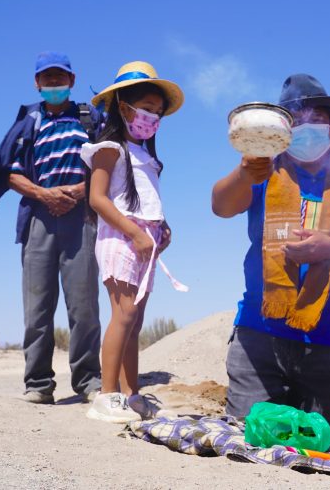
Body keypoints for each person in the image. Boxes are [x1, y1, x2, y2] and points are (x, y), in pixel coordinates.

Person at [212, 74, 330, 426]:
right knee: (250, 440)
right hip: (258, 337)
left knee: (316, 447)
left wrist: (328, 247)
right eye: (296, 120)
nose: (307, 127)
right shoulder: (263, 169)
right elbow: (221, 206)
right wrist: (244, 172)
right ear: (282, 129)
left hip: (327, 341)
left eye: (317, 118)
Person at [0, 52, 102, 404]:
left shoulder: (89, 118)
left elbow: (110, 160)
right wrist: (44, 194)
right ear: (37, 83)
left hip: (82, 217)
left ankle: (90, 381)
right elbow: (11, 172)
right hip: (39, 219)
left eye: (60, 77)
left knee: (84, 305)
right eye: (47, 78)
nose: (54, 84)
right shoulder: (29, 123)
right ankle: (39, 384)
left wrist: (80, 191)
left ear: (72, 80)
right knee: (37, 307)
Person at [81, 61, 183, 423]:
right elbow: (98, 199)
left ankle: (131, 393)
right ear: (123, 108)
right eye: (146, 109)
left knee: (135, 320)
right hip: (121, 238)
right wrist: (137, 233)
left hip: (143, 242)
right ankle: (106, 395)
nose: (152, 118)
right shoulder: (109, 148)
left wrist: (160, 228)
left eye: (157, 113)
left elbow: (145, 198)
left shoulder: (147, 157)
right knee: (123, 313)